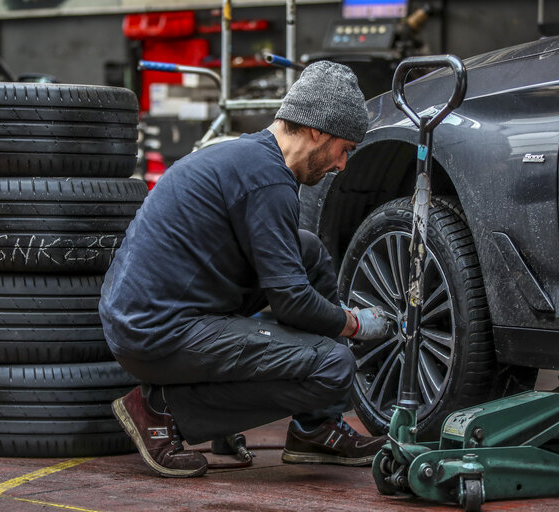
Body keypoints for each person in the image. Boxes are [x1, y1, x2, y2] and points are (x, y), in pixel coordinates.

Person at [99, 61, 390, 478]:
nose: (342, 165)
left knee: (306, 251)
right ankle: (159, 410)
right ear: (318, 131)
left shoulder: (249, 156)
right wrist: (354, 324)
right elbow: (291, 303)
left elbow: (286, 275)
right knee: (333, 365)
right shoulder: (268, 181)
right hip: (155, 331)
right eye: (345, 149)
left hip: (149, 313)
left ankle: (315, 426)